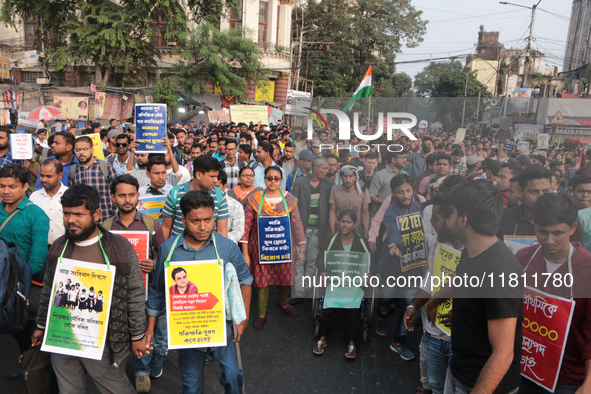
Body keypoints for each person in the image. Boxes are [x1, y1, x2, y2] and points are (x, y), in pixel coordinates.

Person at [32, 184, 147, 394]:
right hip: (62, 335)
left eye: (78, 214)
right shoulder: (59, 246)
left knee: (117, 389)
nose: (70, 220)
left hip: (102, 339)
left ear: (96, 214)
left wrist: (138, 335)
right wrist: (41, 325)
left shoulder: (119, 248)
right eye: (66, 213)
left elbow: (135, 294)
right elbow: (49, 290)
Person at [145, 190, 252, 394]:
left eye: (208, 219)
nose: (203, 227)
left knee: (232, 375)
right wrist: (150, 329)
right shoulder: (169, 249)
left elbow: (245, 280)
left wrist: (242, 318)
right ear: (183, 219)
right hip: (187, 330)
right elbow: (158, 290)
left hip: (220, 326)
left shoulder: (227, 247)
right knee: (192, 386)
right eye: (195, 221)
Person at [444, 180, 523, 394]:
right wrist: (435, 300)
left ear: (463, 219)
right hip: (459, 370)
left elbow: (503, 354)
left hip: (483, 385)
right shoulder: (471, 252)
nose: (447, 218)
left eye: (451, 213)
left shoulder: (501, 271)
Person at [516, 193, 591, 394]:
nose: (549, 240)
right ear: (534, 225)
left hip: (568, 378)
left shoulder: (587, 269)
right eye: (542, 232)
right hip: (525, 367)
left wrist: (589, 382)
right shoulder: (523, 258)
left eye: (558, 232)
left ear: (573, 227)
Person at [403, 189, 464, 394]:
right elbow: (431, 278)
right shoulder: (438, 244)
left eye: (436, 220)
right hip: (432, 334)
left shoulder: (476, 251)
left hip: (460, 339)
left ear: (451, 218)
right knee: (436, 387)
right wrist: (414, 305)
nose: (433, 225)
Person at [240, 166, 306, 329]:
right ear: (264, 179)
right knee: (263, 280)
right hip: (261, 249)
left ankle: (283, 303)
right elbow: (246, 227)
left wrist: (302, 247)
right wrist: (245, 253)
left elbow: (297, 224)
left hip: (285, 248)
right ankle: (261, 313)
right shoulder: (254, 200)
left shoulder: (290, 199)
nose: (273, 181)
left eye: (276, 178)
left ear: (281, 180)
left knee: (285, 278)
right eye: (270, 178)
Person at [0, 165, 50, 379]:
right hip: (2, 284)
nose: (6, 191)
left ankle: (34, 369)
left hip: (26, 285)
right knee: (14, 330)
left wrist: (14, 280)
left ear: (25, 186)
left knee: (29, 329)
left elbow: (37, 261)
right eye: (2, 186)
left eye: (12, 186)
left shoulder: (37, 215)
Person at [374, 174, 423, 360]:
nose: (405, 195)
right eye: (400, 192)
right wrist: (395, 243)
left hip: (414, 266)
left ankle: (398, 341)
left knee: (408, 305)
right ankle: (382, 317)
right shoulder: (390, 211)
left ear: (413, 190)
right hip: (393, 266)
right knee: (386, 299)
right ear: (393, 193)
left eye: (408, 190)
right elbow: (392, 227)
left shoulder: (418, 206)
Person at [312, 210, 370, 359]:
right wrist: (323, 271)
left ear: (355, 224)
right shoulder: (331, 239)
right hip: (335, 283)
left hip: (353, 284)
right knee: (329, 309)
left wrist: (369, 274)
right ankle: (323, 338)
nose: (345, 224)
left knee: (352, 311)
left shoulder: (361, 241)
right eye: (343, 221)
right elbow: (320, 258)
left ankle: (352, 343)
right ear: (338, 222)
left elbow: (370, 261)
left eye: (348, 222)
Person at [498, 165, 584, 244]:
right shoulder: (503, 219)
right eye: (533, 192)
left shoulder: (568, 218)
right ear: (520, 192)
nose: (541, 197)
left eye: (546, 191)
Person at [291, 156, 333, 301]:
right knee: (298, 260)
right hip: (301, 229)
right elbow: (293, 206)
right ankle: (298, 292)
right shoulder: (299, 182)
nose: (328, 171)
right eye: (325, 168)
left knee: (312, 261)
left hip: (318, 230)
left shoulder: (329, 184)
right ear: (316, 168)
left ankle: (308, 289)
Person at [162, 155, 229, 239]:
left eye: (216, 176)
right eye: (212, 176)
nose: (216, 180)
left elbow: (222, 231)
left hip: (209, 250)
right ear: (199, 175)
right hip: (177, 249)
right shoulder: (175, 193)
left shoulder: (220, 196)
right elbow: (166, 227)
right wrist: (163, 250)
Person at [69, 136, 117, 223]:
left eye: (84, 149)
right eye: (77, 150)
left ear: (92, 150)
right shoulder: (73, 171)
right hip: (84, 223)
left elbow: (117, 194)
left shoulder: (106, 167)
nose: (81, 153)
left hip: (106, 221)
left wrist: (114, 221)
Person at [30, 159, 68, 246]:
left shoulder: (70, 194)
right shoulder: (34, 197)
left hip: (65, 247)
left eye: (48, 176)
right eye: (41, 175)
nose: (44, 179)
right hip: (40, 247)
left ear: (60, 175)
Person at [329, 165, 370, 238]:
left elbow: (365, 213)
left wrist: (366, 233)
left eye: (351, 176)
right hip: (339, 232)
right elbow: (332, 211)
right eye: (345, 176)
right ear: (341, 177)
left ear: (355, 177)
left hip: (357, 233)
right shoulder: (335, 189)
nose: (348, 179)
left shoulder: (362, 191)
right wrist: (332, 231)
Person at [216, 170, 245, 244]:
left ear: (225, 186)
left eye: (217, 187)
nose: (214, 190)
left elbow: (238, 231)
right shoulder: (203, 203)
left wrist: (218, 238)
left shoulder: (236, 205)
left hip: (227, 245)